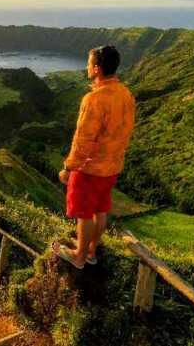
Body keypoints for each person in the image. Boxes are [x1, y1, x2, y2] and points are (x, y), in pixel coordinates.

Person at [53, 45, 135, 269]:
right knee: (101, 209)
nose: (86, 67)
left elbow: (83, 140)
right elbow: (127, 131)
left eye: (89, 63)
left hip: (90, 167)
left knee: (84, 212)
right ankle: (90, 250)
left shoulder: (94, 99)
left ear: (97, 68)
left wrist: (69, 168)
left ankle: (79, 256)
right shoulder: (125, 94)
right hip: (112, 165)